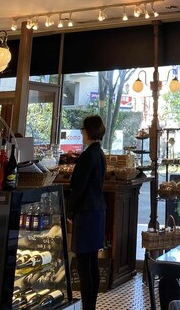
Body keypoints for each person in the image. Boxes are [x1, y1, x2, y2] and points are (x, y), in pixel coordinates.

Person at [68, 115, 106, 310]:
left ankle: (87, 307)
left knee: (84, 264)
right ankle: (91, 305)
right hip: (98, 210)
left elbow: (78, 187)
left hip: (86, 212)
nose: (82, 133)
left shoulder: (88, 155)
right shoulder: (100, 153)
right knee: (92, 262)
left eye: (83, 129)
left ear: (89, 131)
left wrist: (69, 209)